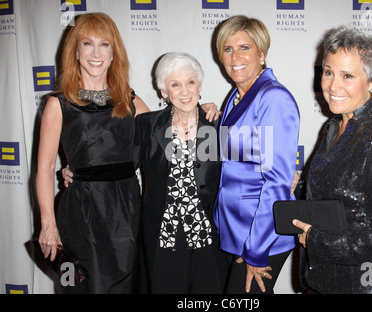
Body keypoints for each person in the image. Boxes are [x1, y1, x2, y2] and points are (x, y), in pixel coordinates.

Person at [293, 26, 372, 294]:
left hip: (368, 284)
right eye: (328, 72)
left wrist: (317, 241)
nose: (333, 85)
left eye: (347, 76)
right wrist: (301, 187)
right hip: (330, 280)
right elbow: (339, 197)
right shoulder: (333, 127)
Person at [36, 13, 150, 293]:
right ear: (75, 51)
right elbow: (42, 169)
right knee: (78, 286)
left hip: (127, 213)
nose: (96, 53)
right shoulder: (57, 104)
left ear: (114, 53)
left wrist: (200, 108)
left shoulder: (130, 100)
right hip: (80, 214)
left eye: (105, 45)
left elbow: (167, 138)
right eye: (87, 44)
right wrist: (48, 225)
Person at [213, 15, 300, 294]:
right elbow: (232, 162)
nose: (235, 56)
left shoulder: (273, 97)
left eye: (244, 48)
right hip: (235, 228)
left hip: (262, 232)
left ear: (261, 53)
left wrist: (256, 251)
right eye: (227, 49)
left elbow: (277, 182)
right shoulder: (234, 97)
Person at [133, 52, 228, 293]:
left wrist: (288, 173)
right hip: (164, 237)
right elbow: (122, 168)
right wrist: (80, 172)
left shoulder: (218, 125)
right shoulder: (147, 125)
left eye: (190, 82)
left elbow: (248, 164)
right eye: (175, 85)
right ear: (164, 92)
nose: (185, 92)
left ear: (200, 85)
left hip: (207, 236)